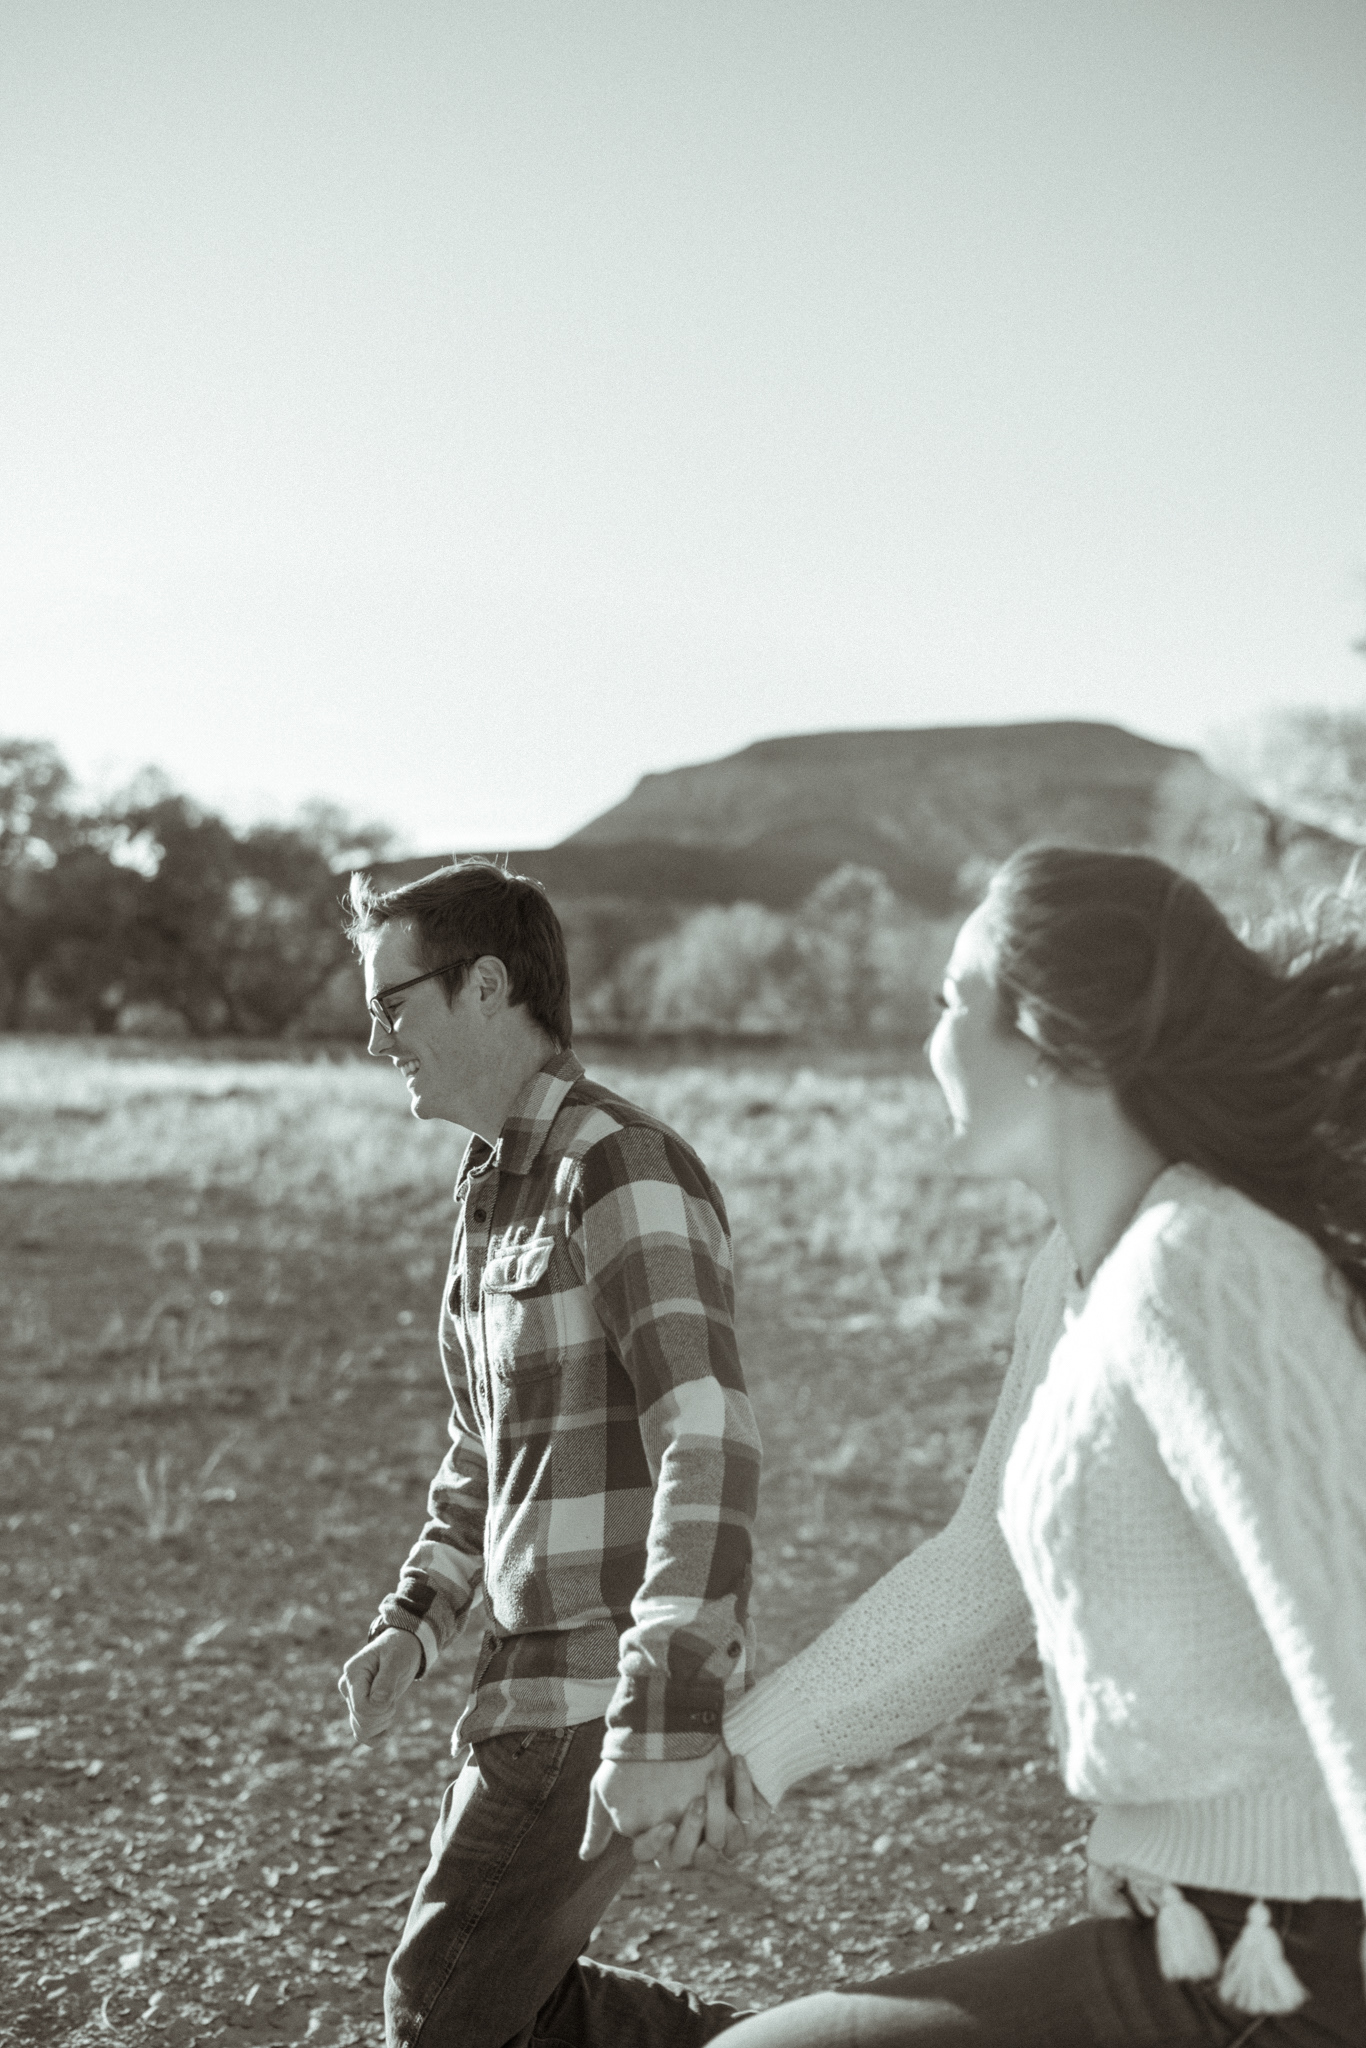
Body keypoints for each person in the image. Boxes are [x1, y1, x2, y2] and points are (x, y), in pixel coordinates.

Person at [626, 844, 1366, 2047]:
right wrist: (753, 1751)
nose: (928, 1042)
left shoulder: (1205, 1270)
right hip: (1180, 1930)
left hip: (1286, 1972)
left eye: (949, 1001)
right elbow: (984, 1570)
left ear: (1050, 1040)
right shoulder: (1077, 1276)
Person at [334, 859, 761, 2048]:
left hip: (597, 1685)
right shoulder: (489, 1192)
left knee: (439, 2007)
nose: (378, 1039)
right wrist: (414, 1618)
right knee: (512, 2010)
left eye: (393, 1002)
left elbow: (708, 1432)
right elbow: (483, 1442)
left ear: (483, 985)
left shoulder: (616, 1165)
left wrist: (668, 1698)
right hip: (518, 1682)